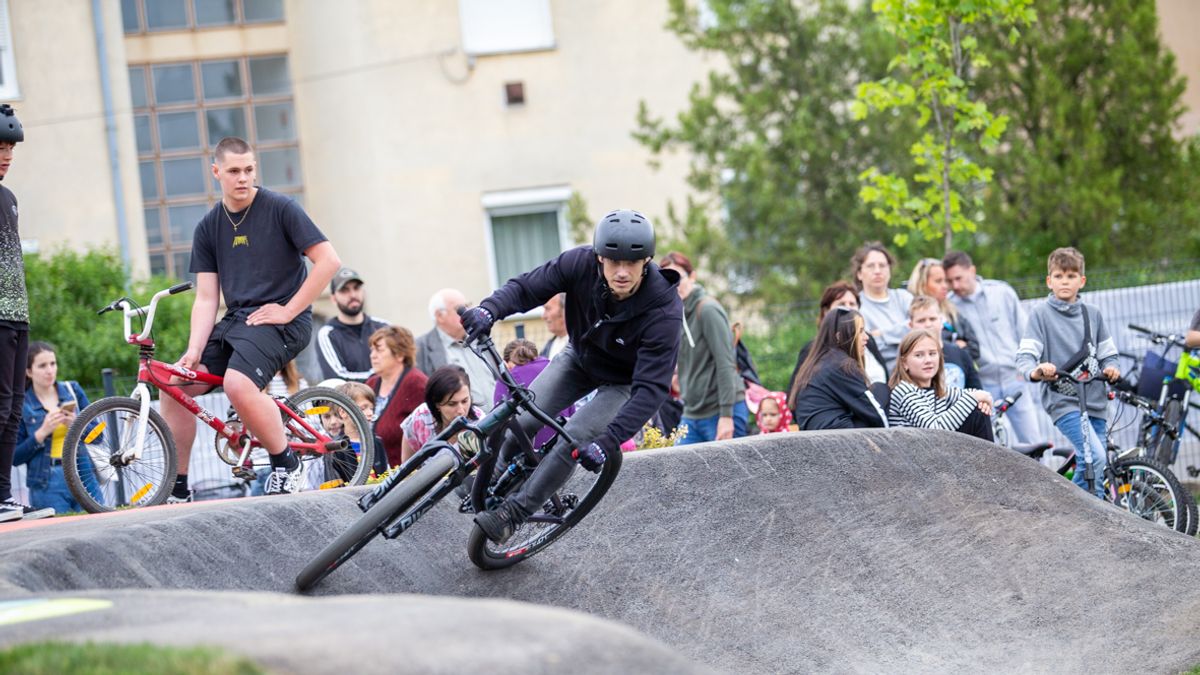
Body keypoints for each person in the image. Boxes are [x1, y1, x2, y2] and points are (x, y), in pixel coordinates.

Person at [460, 209, 683, 544]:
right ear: (598, 258)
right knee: (520, 418)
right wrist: (489, 309)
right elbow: (528, 288)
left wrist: (606, 444)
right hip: (578, 358)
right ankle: (492, 476)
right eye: (612, 261)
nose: (621, 272)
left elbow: (651, 390)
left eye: (632, 264)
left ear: (647, 261)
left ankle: (515, 514)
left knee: (573, 438)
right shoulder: (578, 264)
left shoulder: (664, 311)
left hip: (621, 383)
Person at [160, 136, 340, 501]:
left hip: (284, 322)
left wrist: (290, 309)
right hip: (239, 321)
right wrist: (194, 351)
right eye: (233, 171)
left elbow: (329, 262)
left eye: (249, 170)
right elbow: (207, 298)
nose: (242, 178)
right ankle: (177, 486)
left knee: (237, 385)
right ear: (216, 173)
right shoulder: (208, 227)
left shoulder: (281, 208)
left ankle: (287, 465)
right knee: (174, 384)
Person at [1016, 247, 1120, 497]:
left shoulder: (1092, 314)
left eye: (1071, 276)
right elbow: (1026, 355)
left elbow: (1109, 353)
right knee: (1094, 456)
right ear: (1049, 281)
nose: (1065, 281)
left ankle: (1088, 519)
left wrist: (1112, 367)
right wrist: (1037, 370)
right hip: (1064, 401)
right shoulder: (1040, 314)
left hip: (1095, 398)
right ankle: (1083, 516)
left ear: (1081, 281)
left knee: (1094, 462)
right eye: (1059, 276)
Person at [943, 250, 1043, 445]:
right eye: (950, 281)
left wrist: (1026, 367)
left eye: (959, 278)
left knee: (1032, 441)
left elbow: (1025, 332)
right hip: (983, 385)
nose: (955, 285)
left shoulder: (1001, 292)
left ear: (972, 271)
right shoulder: (950, 306)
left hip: (1015, 379)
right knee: (990, 446)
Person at [0, 104, 45, 521]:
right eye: (0, 146)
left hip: (16, 315)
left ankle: (2, 498)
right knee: (0, 405)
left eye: (10, 147)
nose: (6, 155)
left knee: (14, 407)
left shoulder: (9, 198)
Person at [658, 251, 747, 444]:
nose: (673, 284)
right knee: (677, 469)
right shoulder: (675, 313)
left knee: (727, 474)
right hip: (691, 413)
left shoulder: (707, 309)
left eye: (678, 278)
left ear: (692, 276)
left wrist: (726, 416)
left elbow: (726, 364)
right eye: (667, 280)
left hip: (721, 412)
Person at [787, 281, 888, 402]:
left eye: (852, 304)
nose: (848, 308)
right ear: (826, 312)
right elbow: (795, 396)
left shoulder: (868, 341)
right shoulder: (813, 349)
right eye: (841, 304)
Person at [13, 343, 83, 517]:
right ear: (29, 372)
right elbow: (13, 457)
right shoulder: (21, 405)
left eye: (53, 363)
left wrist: (76, 424)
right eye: (42, 366)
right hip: (46, 482)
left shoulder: (72, 390)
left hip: (82, 472)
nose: (50, 370)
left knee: (99, 528)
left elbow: (99, 437)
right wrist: (41, 433)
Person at [789, 308, 888, 430]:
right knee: (881, 389)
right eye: (860, 331)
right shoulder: (843, 365)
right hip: (839, 436)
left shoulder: (816, 362)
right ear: (839, 336)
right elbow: (875, 414)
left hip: (813, 435)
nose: (866, 337)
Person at [888, 330, 994, 441]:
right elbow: (934, 429)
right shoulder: (903, 390)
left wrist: (981, 401)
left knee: (978, 412)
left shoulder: (937, 390)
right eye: (919, 355)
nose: (928, 360)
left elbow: (976, 395)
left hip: (936, 449)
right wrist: (974, 398)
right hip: (913, 454)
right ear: (904, 363)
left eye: (932, 353)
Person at [415, 288, 495, 411]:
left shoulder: (481, 338)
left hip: (503, 421)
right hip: (464, 427)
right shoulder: (421, 348)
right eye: (460, 309)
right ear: (439, 316)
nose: (467, 311)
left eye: (468, 305)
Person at [494, 338, 574, 451]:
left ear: (506, 363)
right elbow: (572, 411)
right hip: (562, 448)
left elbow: (498, 423)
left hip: (524, 455)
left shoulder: (507, 380)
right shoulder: (556, 370)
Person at [365, 326, 427, 469]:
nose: (372, 356)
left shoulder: (417, 384)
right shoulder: (372, 383)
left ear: (399, 354)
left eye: (379, 350)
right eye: (372, 350)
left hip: (405, 474)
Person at [316, 267, 389, 382]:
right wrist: (382, 376)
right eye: (344, 290)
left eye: (356, 288)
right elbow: (338, 379)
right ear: (333, 299)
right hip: (352, 400)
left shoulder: (384, 327)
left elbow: (400, 366)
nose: (353, 295)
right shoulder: (328, 335)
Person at [399, 365, 483, 462]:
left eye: (465, 401)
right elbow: (407, 468)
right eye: (452, 404)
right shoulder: (421, 418)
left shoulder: (480, 424)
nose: (461, 410)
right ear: (437, 404)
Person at [852, 242, 913, 371]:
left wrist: (881, 334)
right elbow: (870, 347)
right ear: (859, 273)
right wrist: (905, 331)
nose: (877, 271)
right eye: (870, 266)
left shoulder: (904, 298)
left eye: (882, 265)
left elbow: (921, 328)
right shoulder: (855, 306)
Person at [906, 257, 980, 360]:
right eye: (938, 281)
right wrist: (956, 346)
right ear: (922, 284)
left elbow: (975, 350)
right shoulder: (910, 311)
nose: (945, 286)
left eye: (946, 281)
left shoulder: (952, 311)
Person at [908, 295, 981, 390]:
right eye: (921, 321)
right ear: (911, 325)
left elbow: (977, 392)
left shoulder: (960, 353)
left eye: (932, 319)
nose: (928, 324)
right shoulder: (907, 359)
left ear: (941, 321)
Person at [333, 381, 387, 479]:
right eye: (363, 408)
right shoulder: (336, 448)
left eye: (371, 408)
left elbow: (386, 474)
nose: (370, 413)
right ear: (343, 412)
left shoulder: (376, 442)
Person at [541, 293, 570, 360]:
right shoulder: (547, 347)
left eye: (548, 309)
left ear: (565, 310)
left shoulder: (581, 347)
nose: (543, 316)